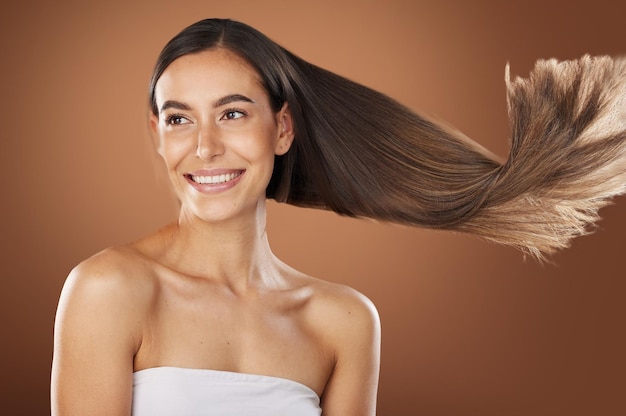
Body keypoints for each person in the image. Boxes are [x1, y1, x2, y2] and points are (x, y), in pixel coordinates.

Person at [51, 18, 626, 415]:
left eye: (231, 113)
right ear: (158, 134)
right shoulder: (110, 290)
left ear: (281, 128)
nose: (204, 148)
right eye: (179, 119)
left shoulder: (343, 321)